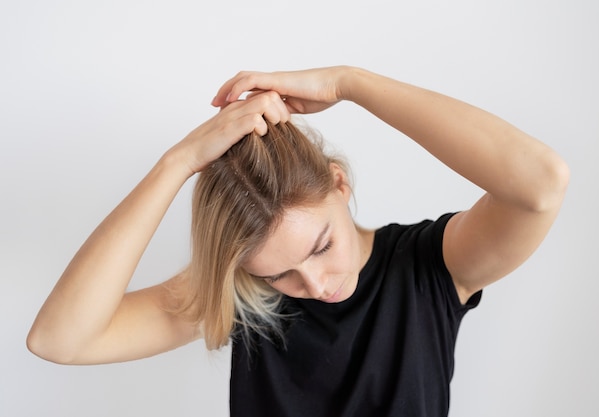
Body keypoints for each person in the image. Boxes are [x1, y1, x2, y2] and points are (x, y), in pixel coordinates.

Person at [27, 66, 569, 416]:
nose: (314, 285)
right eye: (276, 274)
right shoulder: (241, 296)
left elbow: (541, 182)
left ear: (340, 182)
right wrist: (178, 163)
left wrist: (348, 84)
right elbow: (59, 340)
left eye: (319, 246)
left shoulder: (431, 267)